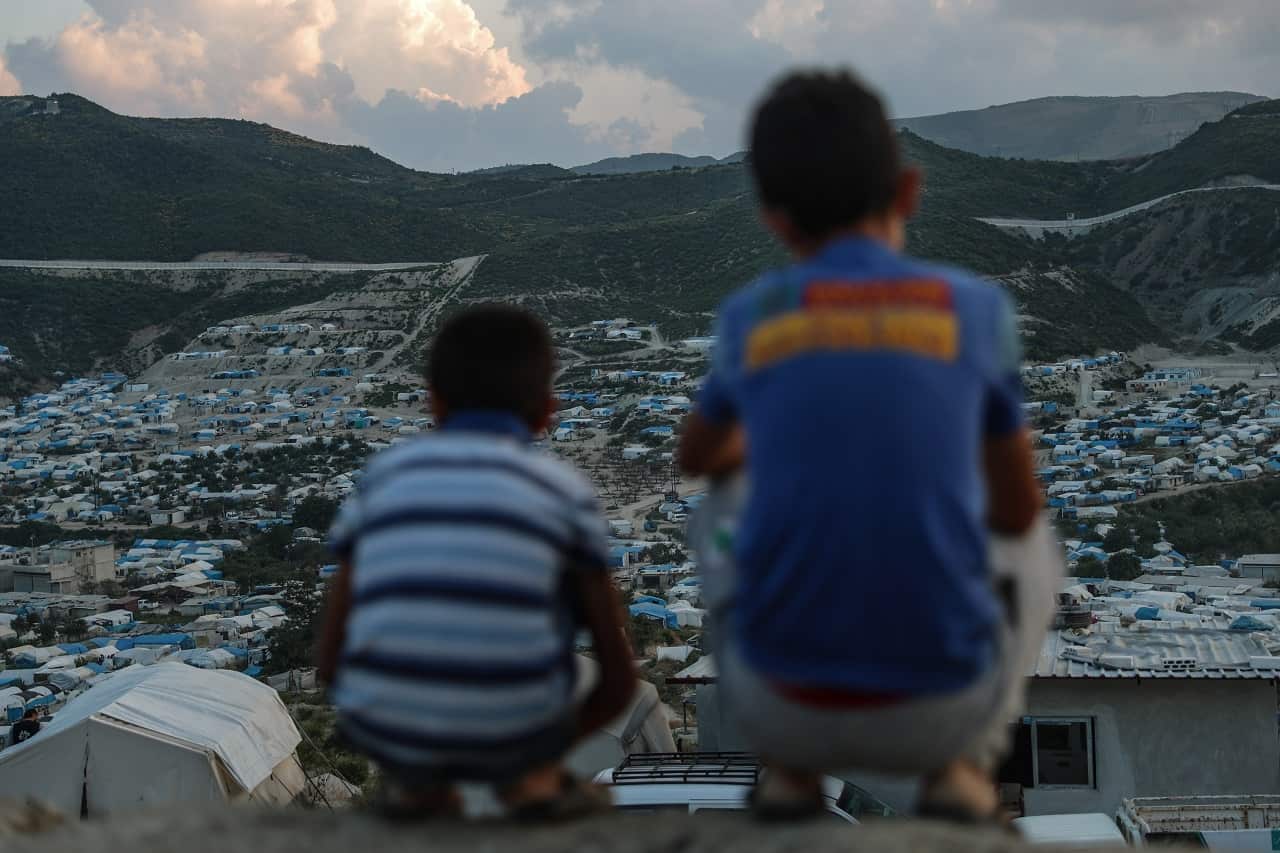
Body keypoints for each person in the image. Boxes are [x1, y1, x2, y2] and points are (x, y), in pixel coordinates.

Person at [679, 69, 1055, 823]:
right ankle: (960, 765)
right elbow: (1016, 507)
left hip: (783, 703)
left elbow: (698, 453)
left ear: (774, 219)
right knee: (1033, 541)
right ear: (909, 191)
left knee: (718, 507)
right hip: (940, 704)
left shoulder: (758, 314)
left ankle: (788, 773)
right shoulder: (971, 308)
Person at [317, 304, 636, 820]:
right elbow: (618, 679)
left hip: (392, 732)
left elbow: (331, 658)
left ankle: (423, 791)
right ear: (547, 410)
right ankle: (529, 784)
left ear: (434, 404)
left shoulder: (383, 478)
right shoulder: (563, 491)